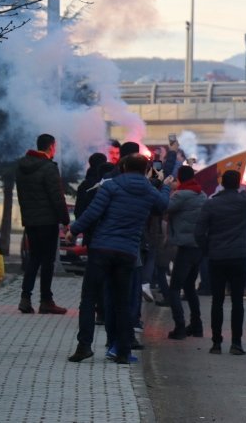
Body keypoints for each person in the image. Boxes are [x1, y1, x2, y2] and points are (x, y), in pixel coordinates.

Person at [66, 154, 172, 364]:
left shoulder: (111, 186)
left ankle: (84, 346)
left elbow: (93, 212)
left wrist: (74, 230)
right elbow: (163, 206)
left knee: (89, 298)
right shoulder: (149, 190)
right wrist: (164, 184)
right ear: (147, 170)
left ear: (123, 167)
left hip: (102, 248)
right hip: (128, 252)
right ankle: (123, 350)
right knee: (122, 301)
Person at [195, 164, 246, 356]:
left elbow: (199, 232)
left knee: (217, 301)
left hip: (217, 257)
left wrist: (207, 249)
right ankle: (236, 343)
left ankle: (216, 343)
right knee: (237, 302)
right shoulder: (243, 201)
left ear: (222, 184)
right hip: (238, 256)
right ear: (237, 184)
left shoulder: (211, 203)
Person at [15, 133, 70, 314]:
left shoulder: (22, 166)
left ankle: (25, 297)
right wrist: (65, 220)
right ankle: (46, 300)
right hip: (47, 221)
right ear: (51, 146)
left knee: (34, 258)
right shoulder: (48, 167)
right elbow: (56, 196)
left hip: (30, 220)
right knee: (47, 261)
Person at [166, 165, 207, 340]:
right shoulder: (202, 195)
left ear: (180, 178)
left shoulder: (181, 195)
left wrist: (167, 188)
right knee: (190, 286)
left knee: (174, 288)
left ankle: (180, 326)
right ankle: (197, 326)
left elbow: (164, 207)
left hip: (185, 247)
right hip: (199, 247)